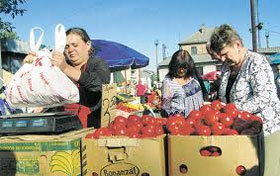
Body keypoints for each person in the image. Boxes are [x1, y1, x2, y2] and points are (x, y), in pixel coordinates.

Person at [209, 24, 280, 176]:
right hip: (241, 132)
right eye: (220, 55)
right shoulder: (227, 67)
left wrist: (230, 110)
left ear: (238, 45)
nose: (222, 59)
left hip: (264, 132)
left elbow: (263, 98)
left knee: (266, 172)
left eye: (225, 54)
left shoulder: (256, 62)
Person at [24, 27, 110, 128]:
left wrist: (65, 68)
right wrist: (32, 65)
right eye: (67, 46)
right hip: (65, 127)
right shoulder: (57, 68)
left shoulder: (98, 64)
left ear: (88, 45)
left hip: (92, 128)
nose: (70, 50)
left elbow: (98, 84)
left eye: (75, 45)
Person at [161, 49, 205, 118]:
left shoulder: (194, 75)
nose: (181, 70)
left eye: (184, 67)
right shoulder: (168, 82)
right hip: (181, 122)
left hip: (199, 118)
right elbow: (165, 108)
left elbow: (204, 92)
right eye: (178, 67)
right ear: (173, 66)